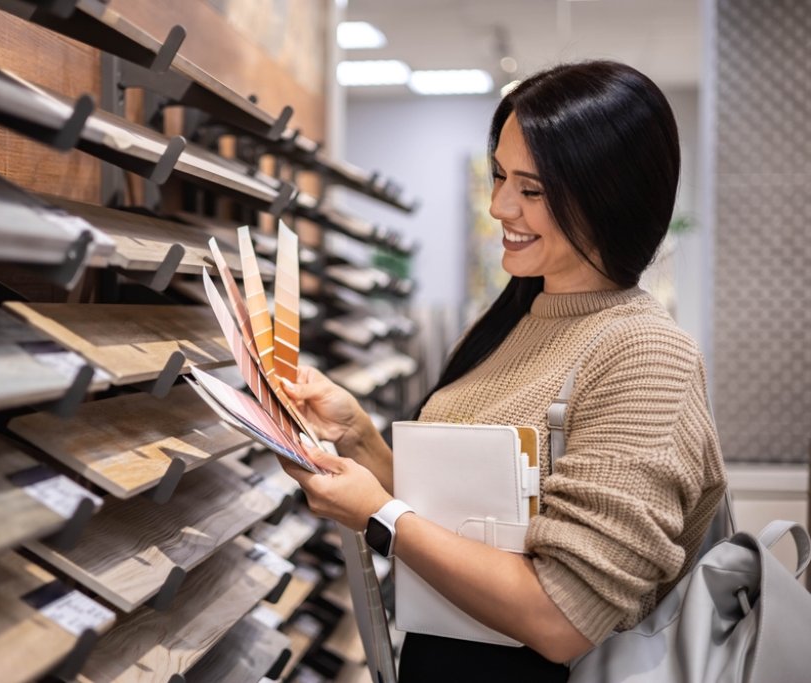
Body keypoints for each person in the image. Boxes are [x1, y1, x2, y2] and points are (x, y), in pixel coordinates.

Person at [278, 60, 726, 681]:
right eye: (498, 177)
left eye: (531, 189)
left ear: (611, 193)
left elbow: (563, 619)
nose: (498, 205)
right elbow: (459, 518)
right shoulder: (510, 321)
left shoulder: (646, 355)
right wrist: (358, 438)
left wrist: (379, 516)